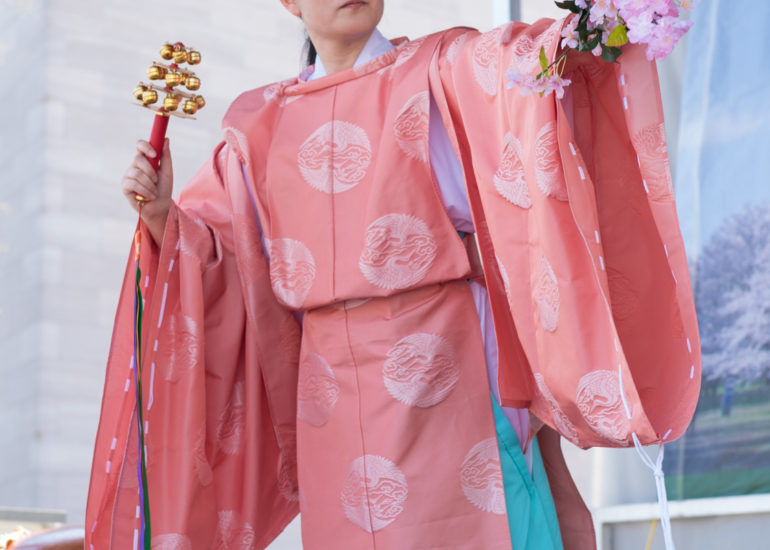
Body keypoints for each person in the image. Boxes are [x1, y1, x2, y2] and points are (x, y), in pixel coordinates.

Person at [87, 1, 700, 549]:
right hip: (329, 391)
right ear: (289, 3)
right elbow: (221, 259)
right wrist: (166, 213)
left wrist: (605, 18)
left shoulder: (444, 67)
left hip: (450, 358)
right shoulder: (257, 125)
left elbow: (531, 69)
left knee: (488, 520)